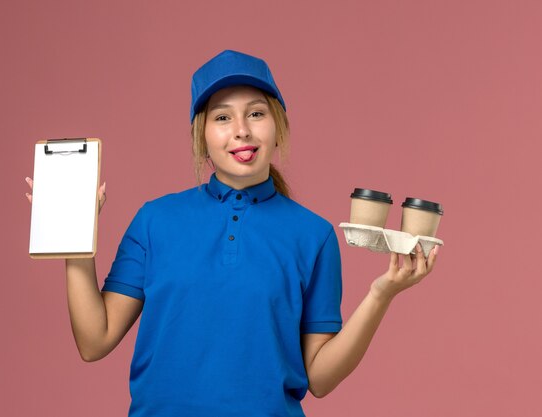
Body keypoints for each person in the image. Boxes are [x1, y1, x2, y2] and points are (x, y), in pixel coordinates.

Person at [25, 50, 438, 417]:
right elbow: (94, 342)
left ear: (278, 127)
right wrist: (74, 239)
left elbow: (321, 379)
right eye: (222, 117)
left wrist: (381, 294)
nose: (241, 130)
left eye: (256, 113)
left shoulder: (313, 235)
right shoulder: (155, 220)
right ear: (201, 137)